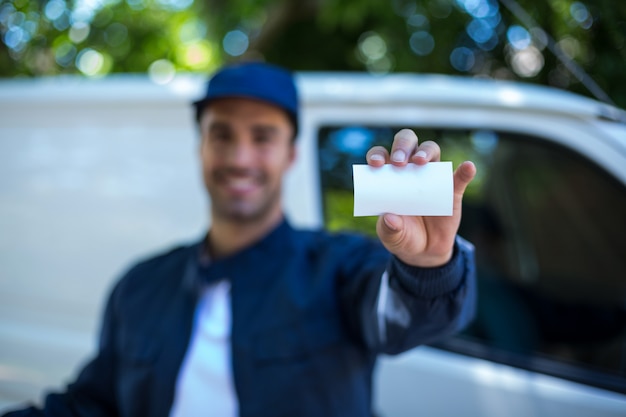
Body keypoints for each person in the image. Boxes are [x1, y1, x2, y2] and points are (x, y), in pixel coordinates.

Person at [3, 61, 477, 417]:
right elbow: (93, 406)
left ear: (290, 155)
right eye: (221, 135)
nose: (240, 157)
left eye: (262, 136)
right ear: (201, 147)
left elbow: (403, 319)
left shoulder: (337, 267)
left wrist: (429, 266)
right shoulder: (140, 286)